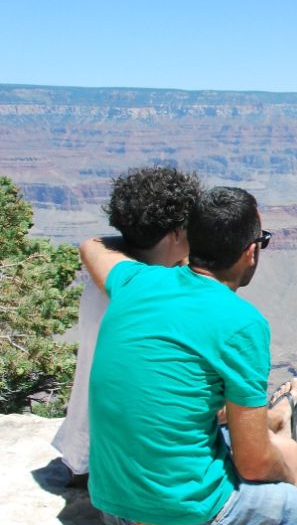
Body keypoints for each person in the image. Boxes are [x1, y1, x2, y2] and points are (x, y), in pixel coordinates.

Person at [80, 186, 297, 525]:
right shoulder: (241, 323)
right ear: (250, 252)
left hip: (111, 505)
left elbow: (92, 244)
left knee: (268, 442)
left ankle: (276, 421)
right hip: (176, 519)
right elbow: (253, 466)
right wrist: (286, 477)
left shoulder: (136, 282)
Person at [52, 166, 201, 485]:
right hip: (117, 467)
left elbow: (94, 242)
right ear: (176, 233)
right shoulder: (155, 292)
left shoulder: (108, 277)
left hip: (82, 454)